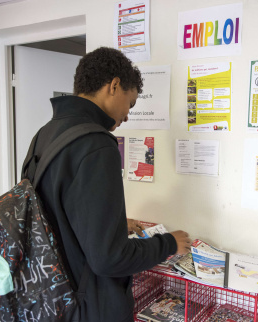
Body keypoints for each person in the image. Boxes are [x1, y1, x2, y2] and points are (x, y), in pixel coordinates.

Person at [29, 47, 191, 321]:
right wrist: (169, 244)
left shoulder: (45, 134)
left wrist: (110, 224)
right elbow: (110, 259)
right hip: (88, 304)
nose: (127, 116)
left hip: (50, 296)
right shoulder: (96, 144)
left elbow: (53, 213)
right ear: (114, 86)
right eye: (130, 103)